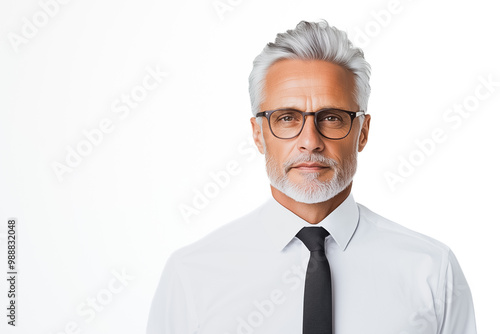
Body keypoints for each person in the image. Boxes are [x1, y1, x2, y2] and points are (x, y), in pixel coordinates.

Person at [147, 20, 477, 334]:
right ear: (259, 134)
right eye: (287, 118)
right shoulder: (191, 275)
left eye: (331, 118)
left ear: (362, 132)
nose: (310, 141)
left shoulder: (432, 271)